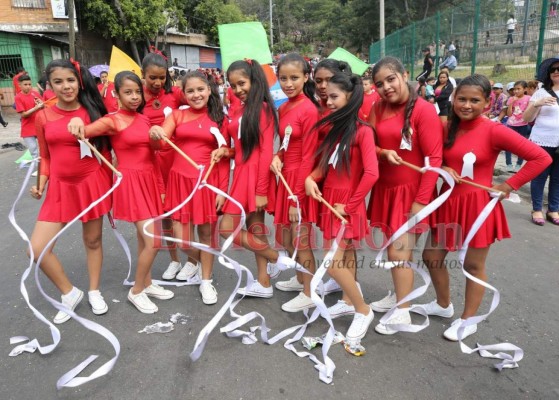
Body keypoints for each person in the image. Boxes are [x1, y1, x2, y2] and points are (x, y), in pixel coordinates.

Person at [417, 74, 551, 341]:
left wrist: (508, 185)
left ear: (488, 102)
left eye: (474, 100)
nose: (466, 105)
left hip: (479, 207)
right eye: (462, 99)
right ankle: (443, 306)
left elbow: (541, 157)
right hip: (448, 203)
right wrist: (443, 167)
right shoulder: (446, 127)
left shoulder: (494, 130)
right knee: (431, 256)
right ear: (453, 99)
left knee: (472, 266)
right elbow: (433, 156)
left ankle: (469, 319)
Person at [68, 71, 174, 313]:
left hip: (150, 180)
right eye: (128, 92)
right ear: (116, 94)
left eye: (137, 92)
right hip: (132, 183)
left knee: (143, 238)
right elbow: (83, 131)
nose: (135, 97)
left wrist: (158, 136)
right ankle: (136, 291)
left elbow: (154, 152)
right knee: (154, 240)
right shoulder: (112, 120)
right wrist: (76, 122)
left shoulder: (145, 119)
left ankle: (146, 283)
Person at [30, 59, 111, 324]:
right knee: (37, 249)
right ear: (49, 85)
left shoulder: (93, 111)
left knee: (93, 241)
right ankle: (69, 292)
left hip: (91, 182)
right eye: (58, 82)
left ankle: (94, 290)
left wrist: (82, 123)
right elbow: (45, 156)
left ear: (79, 81)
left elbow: (109, 142)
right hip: (59, 188)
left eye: (70, 80)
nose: (66, 87)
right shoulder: (42, 115)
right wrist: (41, 183)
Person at [367, 56, 443, 334]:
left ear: (404, 74)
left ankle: (403, 311)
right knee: (395, 248)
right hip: (385, 188)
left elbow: (434, 158)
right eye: (379, 84)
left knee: (398, 251)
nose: (386, 87)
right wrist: (380, 152)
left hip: (412, 191)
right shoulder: (377, 107)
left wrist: (421, 200)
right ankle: (399, 294)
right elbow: (367, 143)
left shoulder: (423, 110)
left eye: (390, 79)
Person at [305, 72, 379, 343]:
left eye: (334, 96)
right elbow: (326, 166)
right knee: (344, 255)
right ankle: (349, 300)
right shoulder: (336, 130)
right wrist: (311, 179)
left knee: (332, 261)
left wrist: (350, 205)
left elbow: (371, 173)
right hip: (331, 200)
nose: (329, 101)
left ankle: (363, 309)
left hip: (346, 204)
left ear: (350, 97)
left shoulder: (363, 131)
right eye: (327, 97)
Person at [150, 71, 229, 305]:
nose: (196, 95)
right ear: (183, 94)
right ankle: (201, 262)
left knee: (206, 234)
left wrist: (221, 191)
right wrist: (154, 134)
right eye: (190, 91)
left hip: (207, 182)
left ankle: (206, 280)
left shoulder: (219, 118)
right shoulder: (176, 115)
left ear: (209, 89)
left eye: (200, 89)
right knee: (183, 239)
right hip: (180, 182)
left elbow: (226, 156)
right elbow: (161, 141)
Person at [212, 59, 282, 298]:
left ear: (254, 80)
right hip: (241, 172)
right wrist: (226, 151)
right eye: (233, 85)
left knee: (226, 228)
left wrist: (261, 189)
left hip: (255, 175)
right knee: (256, 229)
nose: (238, 89)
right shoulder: (237, 108)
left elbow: (264, 152)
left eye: (242, 83)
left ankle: (276, 258)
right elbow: (242, 148)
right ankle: (263, 283)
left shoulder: (262, 109)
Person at [270, 53, 320, 312]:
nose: (288, 83)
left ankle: (310, 291)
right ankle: (301, 277)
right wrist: (278, 156)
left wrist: (296, 197)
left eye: (294, 78)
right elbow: (287, 144)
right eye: (283, 78)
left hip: (298, 183)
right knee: (287, 238)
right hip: (285, 178)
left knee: (301, 240)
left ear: (305, 77)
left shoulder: (309, 109)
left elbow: (309, 154)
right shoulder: (283, 107)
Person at [140, 52, 192, 281]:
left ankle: (192, 261)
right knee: (164, 213)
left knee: (184, 210)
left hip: (176, 159)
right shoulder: (135, 96)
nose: (158, 82)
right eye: (152, 77)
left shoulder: (176, 94)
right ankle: (174, 260)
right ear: (143, 75)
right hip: (150, 161)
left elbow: (199, 104)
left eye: (162, 77)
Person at [522, 57, 559, 226]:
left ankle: (553, 209)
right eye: (553, 70)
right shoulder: (541, 92)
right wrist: (537, 104)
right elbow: (526, 118)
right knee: (539, 176)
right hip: (542, 140)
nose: (556, 72)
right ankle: (537, 208)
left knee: (557, 178)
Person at [15, 74, 43, 172]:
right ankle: (37, 169)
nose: (28, 86)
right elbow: (23, 115)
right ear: (20, 85)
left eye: (29, 84)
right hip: (27, 128)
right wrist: (35, 108)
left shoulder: (35, 94)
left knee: (44, 148)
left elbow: (44, 106)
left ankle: (45, 167)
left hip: (39, 126)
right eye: (25, 84)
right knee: (33, 150)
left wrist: (41, 103)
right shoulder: (18, 97)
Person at [505, 80, 531, 172]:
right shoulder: (511, 99)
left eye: (518, 89)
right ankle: (508, 163)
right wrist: (512, 102)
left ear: (525, 89)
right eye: (515, 89)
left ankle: (518, 164)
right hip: (511, 124)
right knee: (508, 144)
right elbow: (509, 114)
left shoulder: (528, 98)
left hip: (523, 124)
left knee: (522, 145)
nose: (516, 91)